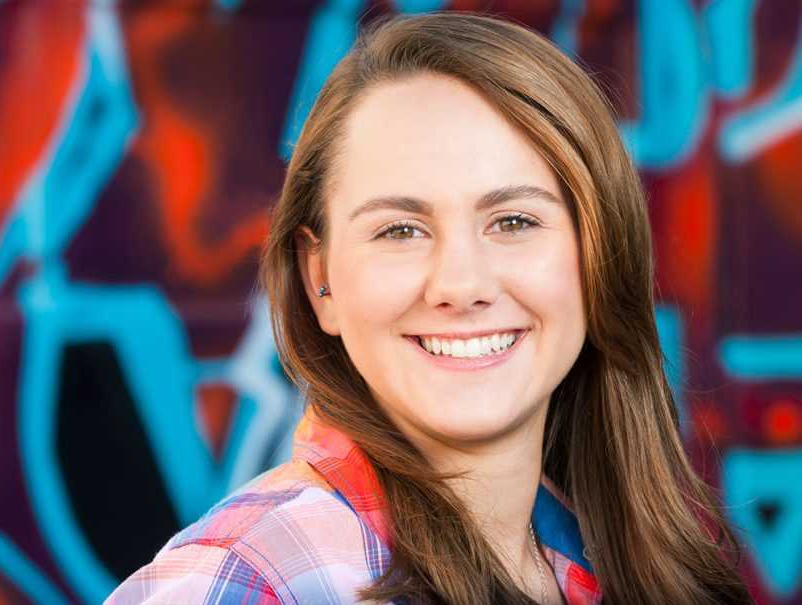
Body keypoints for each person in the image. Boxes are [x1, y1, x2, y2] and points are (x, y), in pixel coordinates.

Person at [106, 11, 755, 605]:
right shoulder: (242, 582)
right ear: (319, 279)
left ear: (598, 255)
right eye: (400, 230)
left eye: (514, 220)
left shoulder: (615, 562)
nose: (461, 283)